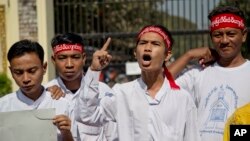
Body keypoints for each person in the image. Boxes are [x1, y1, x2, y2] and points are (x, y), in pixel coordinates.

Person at [75, 25, 200, 141]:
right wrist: (94, 70)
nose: (147, 48)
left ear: (167, 55)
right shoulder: (121, 93)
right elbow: (86, 116)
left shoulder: (182, 98)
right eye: (143, 43)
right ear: (135, 53)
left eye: (155, 44)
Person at [167, 5, 250, 141]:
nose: (224, 40)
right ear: (211, 37)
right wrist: (189, 55)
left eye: (231, 34)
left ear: (244, 36)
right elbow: (157, 86)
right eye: (218, 35)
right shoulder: (198, 72)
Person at [45, 33, 117, 141]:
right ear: (53, 60)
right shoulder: (47, 93)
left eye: (75, 57)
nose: (69, 64)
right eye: (62, 58)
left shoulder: (103, 91)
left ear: (83, 58)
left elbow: (113, 135)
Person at [0, 39, 73, 141]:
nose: (26, 79)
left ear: (44, 67)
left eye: (32, 71)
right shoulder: (3, 107)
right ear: (11, 71)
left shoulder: (63, 104)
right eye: (18, 72)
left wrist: (66, 133)